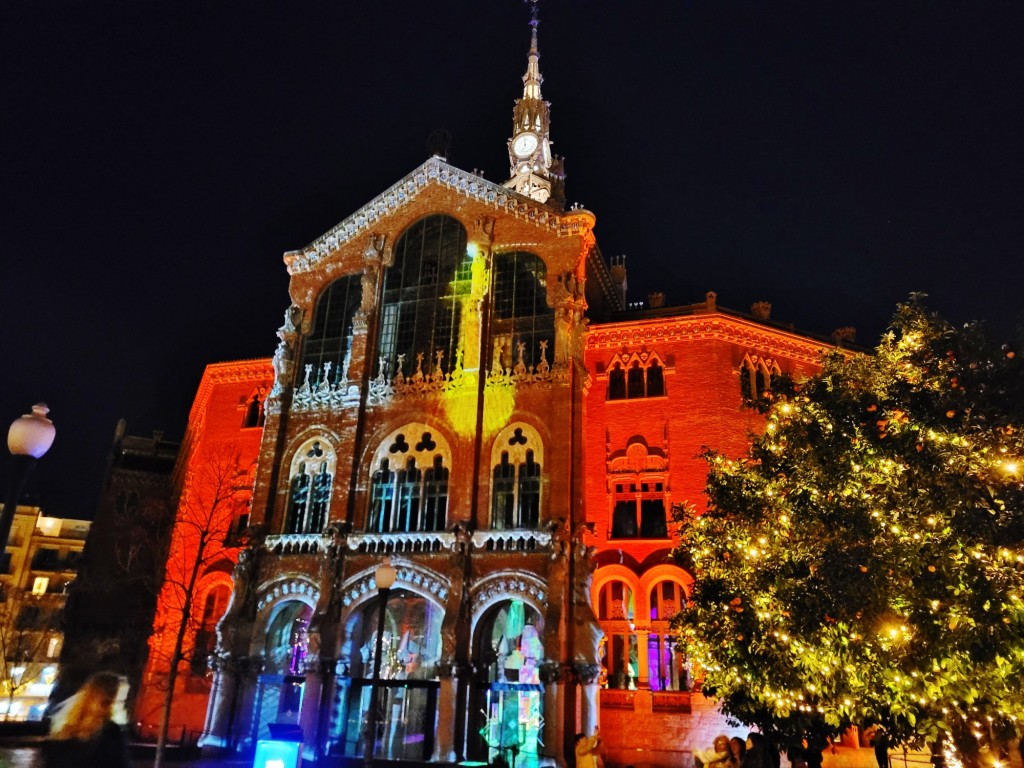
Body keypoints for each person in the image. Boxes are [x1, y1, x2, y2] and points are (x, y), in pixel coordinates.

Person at [42, 672, 130, 768]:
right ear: (107, 701)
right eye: (120, 701)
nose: (124, 705)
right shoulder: (111, 733)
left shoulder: (64, 729)